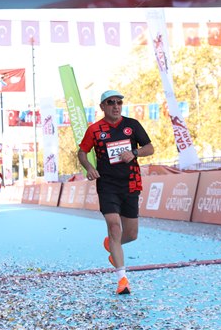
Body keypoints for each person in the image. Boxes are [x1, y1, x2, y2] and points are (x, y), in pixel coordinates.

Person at [77, 90, 154, 295]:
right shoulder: (94, 130)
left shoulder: (132, 125)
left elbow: (150, 148)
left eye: (119, 102)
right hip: (107, 185)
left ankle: (111, 245)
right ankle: (122, 280)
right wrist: (89, 167)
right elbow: (82, 152)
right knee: (113, 226)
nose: (116, 106)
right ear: (102, 106)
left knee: (131, 234)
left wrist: (134, 152)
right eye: (111, 102)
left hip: (131, 183)